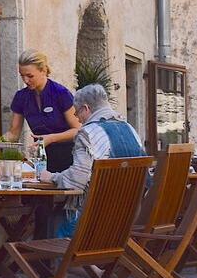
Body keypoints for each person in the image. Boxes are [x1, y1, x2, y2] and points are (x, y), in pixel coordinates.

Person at [46, 84, 146, 236]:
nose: (77, 119)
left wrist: (51, 177)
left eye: (77, 112)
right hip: (127, 219)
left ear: (86, 109)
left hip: (93, 222)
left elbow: (76, 181)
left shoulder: (88, 134)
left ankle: (59, 259)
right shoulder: (130, 130)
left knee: (54, 218)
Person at [5, 51, 83, 172]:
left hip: (70, 158)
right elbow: (13, 133)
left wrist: (51, 138)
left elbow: (78, 130)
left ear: (43, 71)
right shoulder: (21, 97)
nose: (25, 80)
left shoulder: (60, 93)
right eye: (22, 76)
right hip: (41, 160)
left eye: (30, 76)